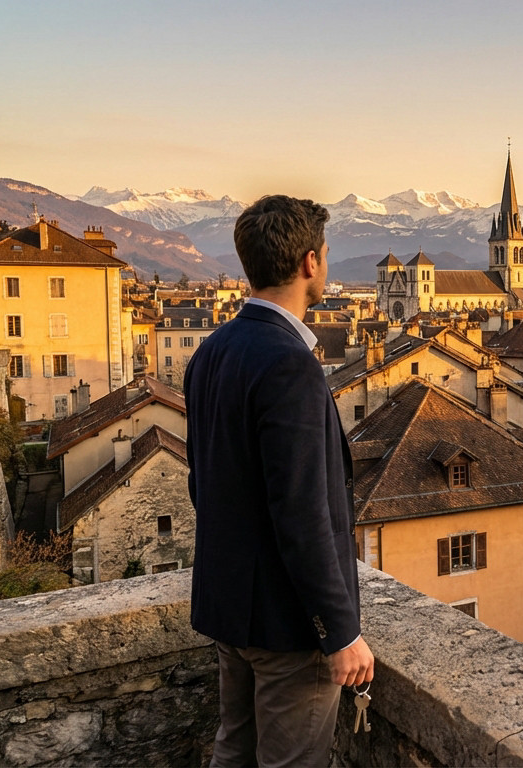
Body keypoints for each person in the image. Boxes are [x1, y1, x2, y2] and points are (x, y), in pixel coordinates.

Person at [185, 195, 374, 767]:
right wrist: (339, 632)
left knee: (234, 750)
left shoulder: (211, 353)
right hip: (288, 625)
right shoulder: (289, 363)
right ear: (309, 263)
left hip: (231, 608)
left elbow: (204, 482)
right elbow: (303, 513)